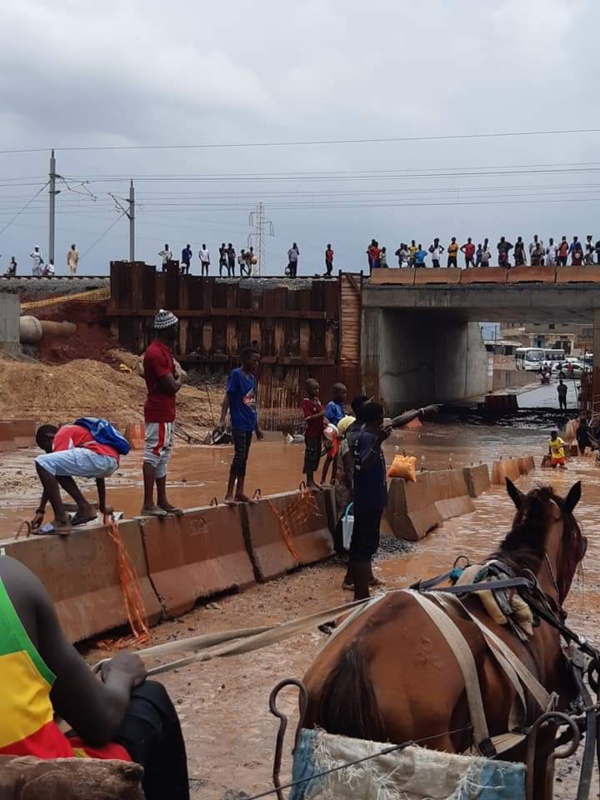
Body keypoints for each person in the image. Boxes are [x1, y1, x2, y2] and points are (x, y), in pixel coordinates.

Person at [0, 555, 189, 800]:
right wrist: (121, 674)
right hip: (38, 789)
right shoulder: (13, 581)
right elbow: (100, 725)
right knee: (151, 695)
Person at [32, 420, 125, 535]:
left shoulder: (62, 434)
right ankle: (84, 508)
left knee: (42, 461)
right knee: (56, 468)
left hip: (99, 457)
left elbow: (48, 470)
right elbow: (100, 477)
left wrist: (41, 510)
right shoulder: (79, 435)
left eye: (47, 448)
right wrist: (102, 506)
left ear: (50, 437)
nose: (49, 452)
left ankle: (61, 520)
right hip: (111, 461)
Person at [141, 310, 183, 518]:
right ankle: (148, 502)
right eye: (175, 326)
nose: (178, 329)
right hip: (158, 410)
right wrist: (179, 379)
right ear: (167, 329)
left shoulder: (163, 350)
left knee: (163, 455)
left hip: (165, 411)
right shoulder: (155, 353)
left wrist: (175, 379)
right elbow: (171, 384)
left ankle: (161, 500)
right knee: (153, 453)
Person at [347, 401, 391, 600]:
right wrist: (378, 444)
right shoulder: (369, 439)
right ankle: (361, 596)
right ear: (377, 419)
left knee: (359, 546)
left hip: (366, 500)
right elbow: (365, 464)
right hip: (370, 501)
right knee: (365, 548)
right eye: (381, 416)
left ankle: (358, 591)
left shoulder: (365, 433)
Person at [220, 346, 263, 504]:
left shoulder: (252, 380)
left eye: (258, 361)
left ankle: (240, 491)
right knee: (239, 456)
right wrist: (222, 419)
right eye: (254, 360)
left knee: (244, 458)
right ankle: (229, 493)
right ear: (245, 360)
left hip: (249, 424)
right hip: (238, 422)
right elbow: (228, 398)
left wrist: (257, 427)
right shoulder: (236, 375)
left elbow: (252, 404)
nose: (257, 364)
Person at [320, 382, 347, 485]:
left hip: (339, 436)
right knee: (330, 457)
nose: (344, 395)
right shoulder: (332, 406)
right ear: (335, 394)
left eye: (345, 393)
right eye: (342, 393)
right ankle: (323, 480)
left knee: (337, 459)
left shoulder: (341, 406)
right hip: (332, 435)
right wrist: (326, 438)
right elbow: (326, 420)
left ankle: (332, 480)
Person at [302, 378, 325, 489]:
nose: (317, 391)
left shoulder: (318, 401)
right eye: (314, 389)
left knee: (316, 457)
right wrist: (321, 414)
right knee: (310, 456)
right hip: (310, 434)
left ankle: (312, 481)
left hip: (318, 433)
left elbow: (321, 417)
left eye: (318, 389)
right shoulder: (306, 402)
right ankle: (309, 481)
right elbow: (308, 418)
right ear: (308, 390)